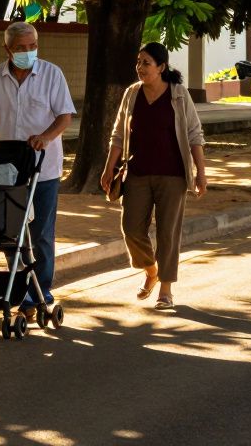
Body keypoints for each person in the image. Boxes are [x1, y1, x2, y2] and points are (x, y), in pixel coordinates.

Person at [0, 22, 75, 319]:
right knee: (10, 232)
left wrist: (46, 137)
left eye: (32, 46)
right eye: (21, 48)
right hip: (6, 172)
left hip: (43, 168)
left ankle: (40, 293)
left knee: (39, 234)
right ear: (7, 50)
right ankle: (18, 287)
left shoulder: (52, 74)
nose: (28, 52)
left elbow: (65, 116)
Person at [100, 42, 207, 310]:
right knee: (131, 228)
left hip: (173, 175)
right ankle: (151, 270)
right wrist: (108, 167)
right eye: (138, 62)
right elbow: (118, 134)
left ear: (161, 67)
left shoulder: (179, 95)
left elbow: (194, 135)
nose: (140, 68)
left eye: (146, 63)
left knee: (168, 233)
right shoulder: (132, 94)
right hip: (136, 172)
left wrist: (200, 173)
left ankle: (166, 291)